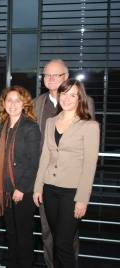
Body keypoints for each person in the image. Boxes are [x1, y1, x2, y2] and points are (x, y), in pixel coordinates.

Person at [34, 59, 95, 268]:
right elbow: (40, 150)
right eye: (47, 75)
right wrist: (37, 185)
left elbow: (88, 158)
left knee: (66, 238)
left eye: (55, 75)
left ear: (66, 77)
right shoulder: (37, 104)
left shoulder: (86, 107)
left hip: (72, 188)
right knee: (47, 232)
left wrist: (82, 197)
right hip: (47, 184)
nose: (50, 79)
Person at [0, 86, 41, 268]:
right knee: (10, 233)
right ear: (3, 103)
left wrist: (21, 188)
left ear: (24, 103)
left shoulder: (30, 126)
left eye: (17, 100)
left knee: (24, 235)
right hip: (5, 189)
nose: (12, 104)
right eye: (9, 100)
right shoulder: (2, 126)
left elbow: (34, 162)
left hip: (22, 191)